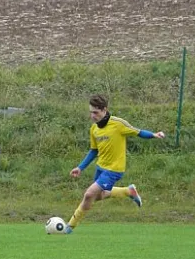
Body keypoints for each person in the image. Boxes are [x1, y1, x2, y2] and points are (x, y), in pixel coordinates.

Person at [65, 94, 165, 234]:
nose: (92, 116)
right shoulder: (94, 129)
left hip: (114, 169)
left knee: (88, 195)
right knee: (98, 196)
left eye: (95, 112)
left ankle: (69, 227)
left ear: (104, 110)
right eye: (91, 112)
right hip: (101, 167)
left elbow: (138, 132)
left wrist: (154, 134)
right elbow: (94, 150)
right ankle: (127, 191)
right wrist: (80, 167)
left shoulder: (118, 124)